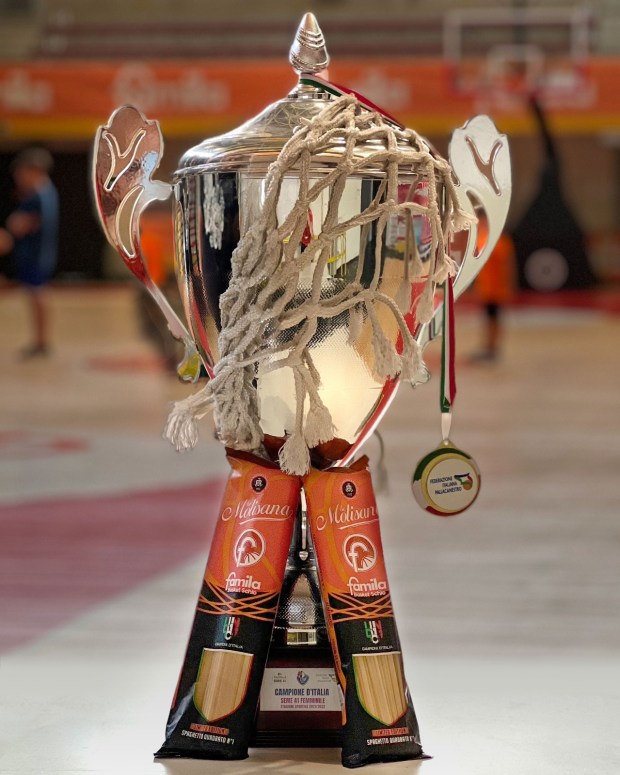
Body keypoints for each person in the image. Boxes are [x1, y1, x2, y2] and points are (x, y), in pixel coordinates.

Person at [0, 147, 59, 358]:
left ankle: (41, 341)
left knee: (37, 295)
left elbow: (18, 226)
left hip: (34, 255)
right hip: (34, 254)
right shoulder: (46, 193)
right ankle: (41, 341)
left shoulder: (38, 197)